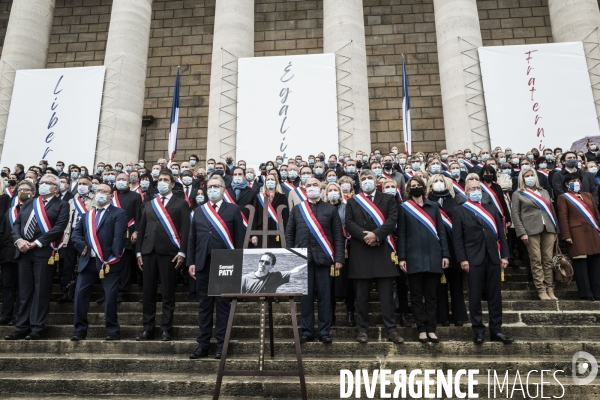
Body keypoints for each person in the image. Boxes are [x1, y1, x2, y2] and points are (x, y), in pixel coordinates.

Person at [5, 174, 69, 340]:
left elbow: (59, 228)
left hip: (44, 252)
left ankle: (37, 328)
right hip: (24, 252)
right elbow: (17, 223)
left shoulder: (62, 205)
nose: (44, 185)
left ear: (56, 188)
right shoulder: (29, 203)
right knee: (24, 291)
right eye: (42, 182)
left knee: (41, 291)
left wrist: (36, 243)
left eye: (49, 183)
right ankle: (21, 327)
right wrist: (19, 240)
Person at [188, 176, 246, 359]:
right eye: (209, 186)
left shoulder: (234, 209)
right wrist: (191, 262)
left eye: (216, 186)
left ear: (223, 189)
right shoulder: (199, 211)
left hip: (225, 262)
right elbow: (192, 238)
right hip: (203, 263)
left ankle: (222, 345)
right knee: (204, 306)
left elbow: (239, 239)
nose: (212, 189)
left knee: (222, 306)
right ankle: (203, 345)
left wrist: (238, 262)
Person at [345, 169, 404, 344]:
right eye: (363, 179)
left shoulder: (387, 199)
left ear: (376, 180)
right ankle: (362, 330)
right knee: (361, 296)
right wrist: (366, 237)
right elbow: (349, 223)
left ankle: (391, 329)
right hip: (360, 251)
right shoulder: (353, 201)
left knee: (387, 296)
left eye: (369, 178)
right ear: (359, 182)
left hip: (382, 251)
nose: (366, 181)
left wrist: (376, 235)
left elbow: (392, 220)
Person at [452, 179, 513, 345]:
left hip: (493, 257)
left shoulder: (491, 209)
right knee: (475, 297)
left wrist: (505, 256)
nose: (476, 190)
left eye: (478, 188)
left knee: (495, 297)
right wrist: (462, 259)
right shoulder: (459, 210)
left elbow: (501, 234)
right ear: (466, 193)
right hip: (473, 259)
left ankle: (496, 330)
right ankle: (478, 330)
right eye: (472, 189)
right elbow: (457, 239)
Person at [286, 177, 344, 344]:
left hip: (324, 259)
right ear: (304, 188)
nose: (312, 188)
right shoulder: (297, 210)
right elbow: (289, 234)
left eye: (315, 185)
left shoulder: (330, 210)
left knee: (325, 297)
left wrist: (339, 258)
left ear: (321, 189)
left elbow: (338, 236)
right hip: (302, 260)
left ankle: (324, 331)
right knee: (306, 297)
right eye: (309, 185)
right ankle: (307, 331)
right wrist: (290, 256)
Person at [135, 171, 190, 342]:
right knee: (148, 293)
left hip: (169, 254)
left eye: (166, 180)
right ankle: (148, 328)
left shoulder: (181, 203)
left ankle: (166, 329)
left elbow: (186, 230)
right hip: (148, 252)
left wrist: (182, 251)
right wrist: (138, 252)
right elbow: (141, 228)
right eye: (160, 180)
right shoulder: (150, 203)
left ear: (173, 184)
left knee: (168, 294)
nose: (162, 182)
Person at [69, 184, 128, 340]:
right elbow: (75, 234)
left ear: (111, 196)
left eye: (105, 192)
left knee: (110, 297)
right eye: (98, 191)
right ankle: (79, 330)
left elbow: (119, 236)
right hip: (87, 261)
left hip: (108, 262)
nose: (101, 194)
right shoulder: (87, 215)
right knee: (80, 295)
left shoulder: (119, 213)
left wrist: (115, 254)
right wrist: (81, 245)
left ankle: (112, 331)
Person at [398, 176, 449, 343]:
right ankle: (421, 328)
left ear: (423, 187)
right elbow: (402, 234)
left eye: (418, 185)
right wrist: (402, 257)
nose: (415, 188)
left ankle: (431, 328)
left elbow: (441, 232)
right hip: (413, 257)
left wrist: (445, 254)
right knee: (416, 295)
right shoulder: (404, 208)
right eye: (412, 186)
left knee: (431, 295)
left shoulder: (433, 206)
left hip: (433, 256)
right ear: (408, 189)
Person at [427, 174, 468, 327]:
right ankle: (442, 316)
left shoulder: (455, 200)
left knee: (456, 284)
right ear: (430, 184)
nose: (438, 183)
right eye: (435, 181)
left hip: (454, 247)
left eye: (441, 181)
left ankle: (459, 316)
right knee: (439, 285)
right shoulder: (427, 202)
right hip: (436, 248)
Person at [511, 169, 558, 300]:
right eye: (527, 176)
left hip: (548, 227)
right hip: (530, 230)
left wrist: (556, 230)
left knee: (548, 259)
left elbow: (552, 212)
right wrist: (521, 233)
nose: (530, 178)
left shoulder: (544, 192)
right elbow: (515, 215)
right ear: (522, 178)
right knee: (536, 259)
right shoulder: (518, 194)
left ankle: (550, 288)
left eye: (532, 175)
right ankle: (541, 289)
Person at [557, 172, 600, 300]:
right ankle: (586, 293)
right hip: (576, 233)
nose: (576, 182)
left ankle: (597, 293)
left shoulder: (588, 195)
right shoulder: (563, 197)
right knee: (580, 264)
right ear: (566, 184)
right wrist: (566, 235)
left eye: (577, 180)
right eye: (572, 180)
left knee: (596, 263)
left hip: (593, 232)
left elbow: (596, 214)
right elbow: (563, 218)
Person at [0, 181, 34, 324]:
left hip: (26, 253)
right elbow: (2, 231)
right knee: (7, 285)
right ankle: (5, 314)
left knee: (23, 287)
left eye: (26, 189)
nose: (23, 192)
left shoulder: (36, 210)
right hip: (8, 253)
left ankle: (18, 315)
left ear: (33, 193)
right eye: (20, 189)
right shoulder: (10, 210)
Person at [324, 182, 356, 326]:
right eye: (330, 190)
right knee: (329, 284)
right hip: (328, 249)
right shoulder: (322, 208)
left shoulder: (347, 206)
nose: (333, 192)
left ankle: (350, 312)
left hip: (346, 248)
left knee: (349, 282)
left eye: (335, 190)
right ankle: (331, 314)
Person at [111, 173, 142, 303]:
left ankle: (122, 292)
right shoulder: (111, 196)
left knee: (125, 265)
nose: (121, 181)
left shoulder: (135, 196)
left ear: (129, 182)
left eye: (124, 179)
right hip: (111, 234)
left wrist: (137, 231)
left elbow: (138, 216)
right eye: (119, 179)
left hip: (128, 233)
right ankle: (110, 291)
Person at [251, 173, 288, 248]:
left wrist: (286, 232)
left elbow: (286, 216)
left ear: (276, 182)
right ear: (265, 182)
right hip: (261, 229)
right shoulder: (259, 197)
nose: (270, 181)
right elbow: (255, 216)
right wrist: (254, 234)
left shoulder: (282, 196)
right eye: (268, 180)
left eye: (272, 179)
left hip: (277, 229)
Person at [241, 252, 305, 293]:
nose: (263, 264)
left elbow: (296, 271)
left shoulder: (276, 277)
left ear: (272, 266)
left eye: (267, 263)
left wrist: (309, 263)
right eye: (261, 261)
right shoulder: (245, 279)